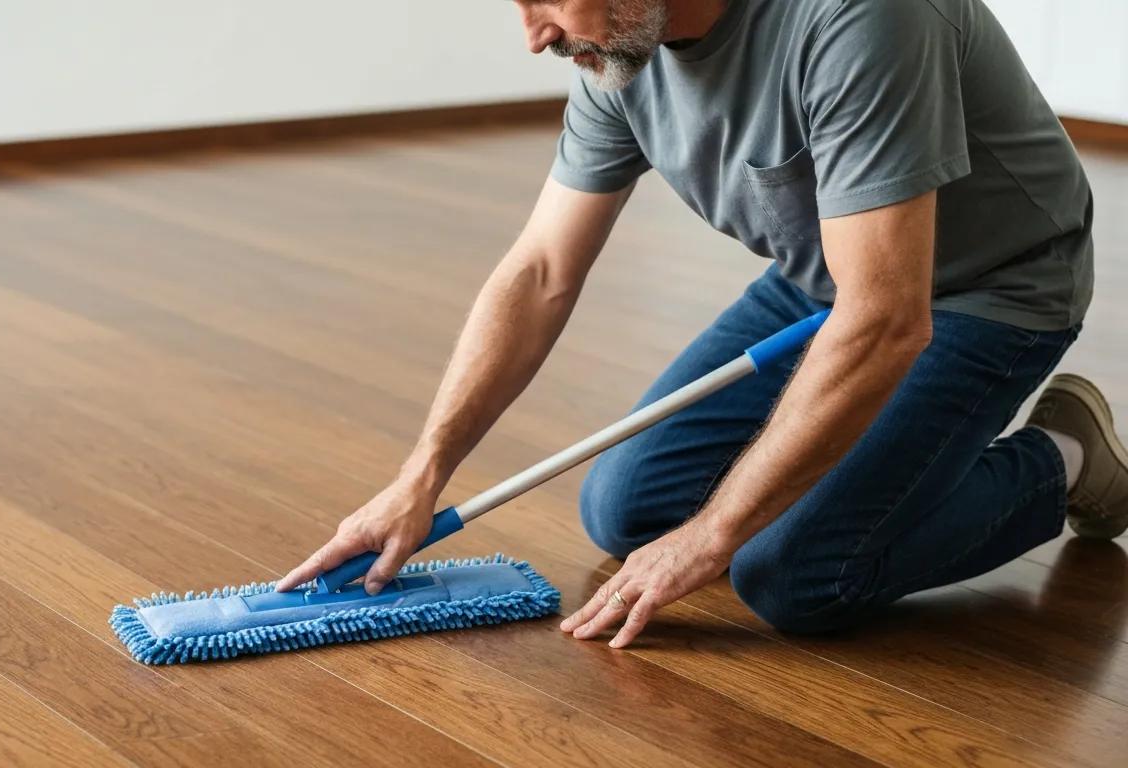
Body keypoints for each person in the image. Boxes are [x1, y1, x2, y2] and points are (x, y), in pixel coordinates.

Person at [277, 0, 1127, 647]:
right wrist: (422, 475)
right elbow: (540, 271)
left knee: (792, 575)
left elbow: (887, 319)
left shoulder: (859, 19)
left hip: (987, 289)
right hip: (826, 282)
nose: (534, 36)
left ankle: (1068, 457)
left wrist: (715, 536)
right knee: (623, 508)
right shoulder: (619, 55)